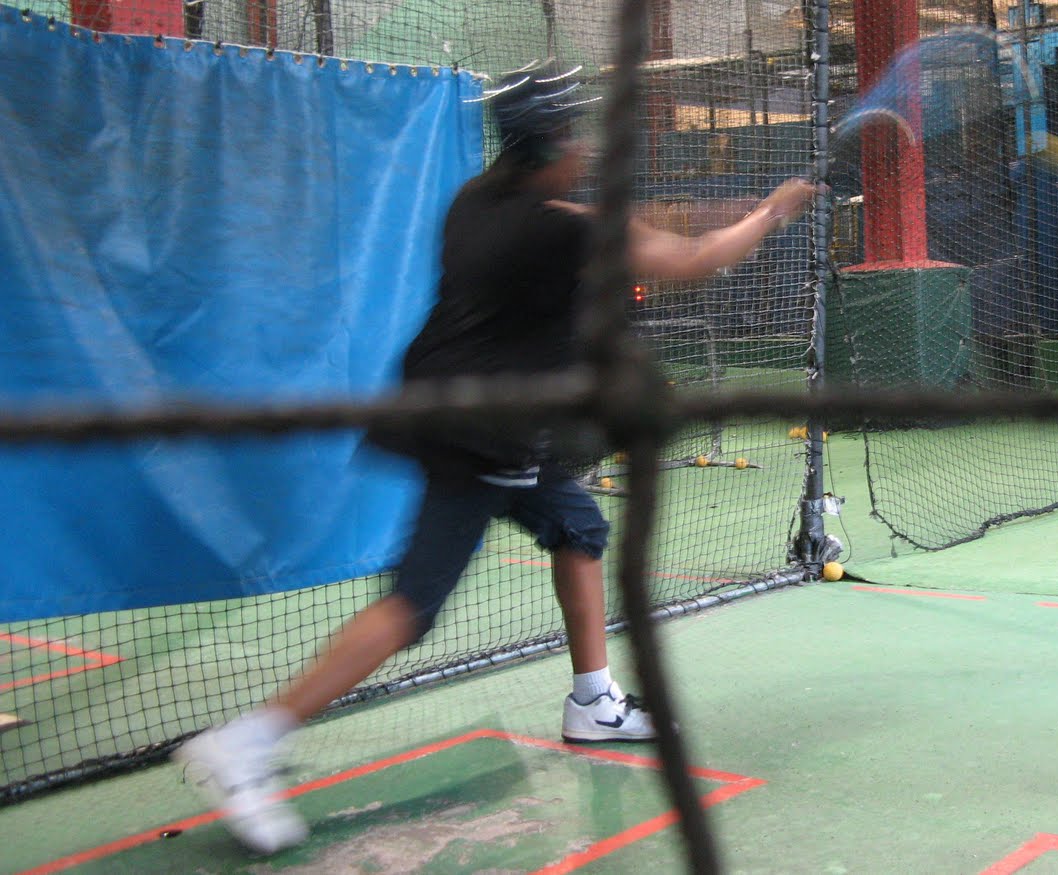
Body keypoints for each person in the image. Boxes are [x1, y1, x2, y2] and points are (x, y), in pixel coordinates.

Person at [174, 61, 817, 855]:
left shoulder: (478, 200)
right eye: (574, 134)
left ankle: (593, 700)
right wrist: (771, 212)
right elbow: (687, 260)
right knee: (414, 603)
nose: (585, 147)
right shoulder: (560, 230)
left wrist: (709, 210)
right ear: (550, 146)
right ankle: (249, 741)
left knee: (578, 528)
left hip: (453, 401)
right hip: (481, 428)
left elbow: (606, 220)